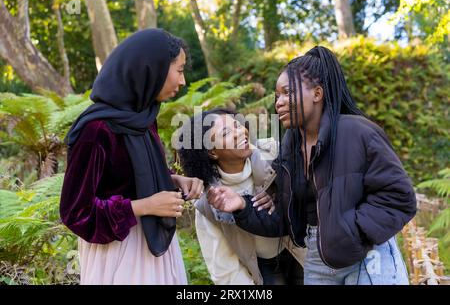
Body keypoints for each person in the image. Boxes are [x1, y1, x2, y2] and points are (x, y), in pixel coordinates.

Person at [207, 46, 416, 285]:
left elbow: (400, 197)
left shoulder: (358, 131)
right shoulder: (290, 146)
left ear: (317, 93)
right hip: (317, 259)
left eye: (287, 93)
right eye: (277, 96)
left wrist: (350, 232)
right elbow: (286, 219)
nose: (279, 103)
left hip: (368, 257)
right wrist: (242, 206)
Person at [60, 29, 204, 285]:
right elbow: (75, 212)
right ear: (152, 69)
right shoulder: (96, 130)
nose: (182, 81)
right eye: (179, 70)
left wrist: (171, 180)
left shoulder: (143, 119)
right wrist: (144, 206)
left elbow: (130, 177)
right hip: (117, 253)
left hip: (153, 243)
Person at [177, 109, 305, 285]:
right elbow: (224, 270)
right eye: (226, 133)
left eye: (236, 125)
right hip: (260, 270)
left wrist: (277, 195)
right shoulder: (210, 203)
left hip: (299, 251)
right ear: (212, 152)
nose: (239, 132)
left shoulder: (274, 153)